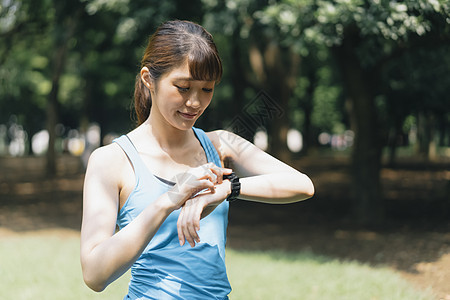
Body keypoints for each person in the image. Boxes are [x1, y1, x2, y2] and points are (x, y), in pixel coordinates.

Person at [80, 20, 314, 299]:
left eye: (207, 89)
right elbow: (94, 274)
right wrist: (170, 199)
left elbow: (302, 184)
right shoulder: (112, 160)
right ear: (147, 79)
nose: (194, 102)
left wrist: (226, 190)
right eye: (182, 87)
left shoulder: (221, 144)